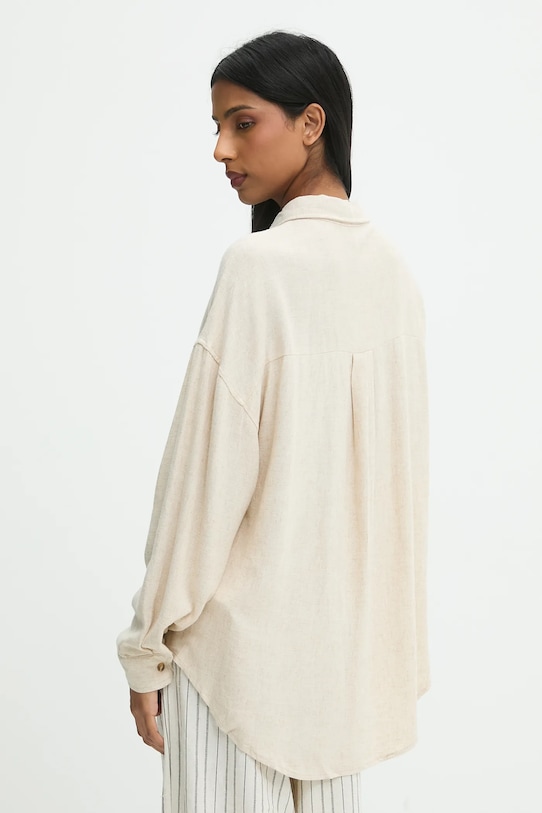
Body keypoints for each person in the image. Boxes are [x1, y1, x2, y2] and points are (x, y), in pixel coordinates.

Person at [116, 30, 430, 813]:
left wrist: (147, 645)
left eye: (242, 122)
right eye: (218, 126)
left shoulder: (256, 269)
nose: (221, 149)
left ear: (312, 123)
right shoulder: (395, 275)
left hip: (234, 673)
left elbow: (201, 484)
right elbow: (400, 495)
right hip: (340, 683)